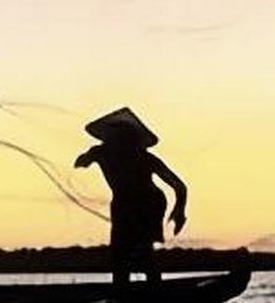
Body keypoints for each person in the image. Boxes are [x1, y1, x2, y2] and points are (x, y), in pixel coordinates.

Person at [72, 106, 188, 289]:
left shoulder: (144, 157)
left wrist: (179, 211)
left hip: (149, 203)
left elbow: (178, 186)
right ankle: (123, 291)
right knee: (120, 252)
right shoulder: (102, 152)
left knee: (142, 251)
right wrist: (88, 157)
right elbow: (80, 163)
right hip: (123, 203)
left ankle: (151, 291)